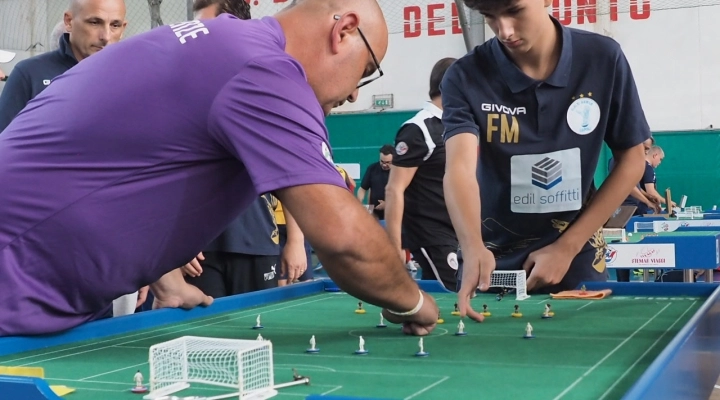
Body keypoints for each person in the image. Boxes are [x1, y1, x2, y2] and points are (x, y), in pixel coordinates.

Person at [0, 0, 438, 337]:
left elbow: (126, 162)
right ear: (344, 30)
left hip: (36, 289)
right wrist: (411, 300)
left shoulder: (218, 41)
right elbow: (344, 240)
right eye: (365, 72)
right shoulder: (264, 69)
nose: (355, 97)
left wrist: (164, 277)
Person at [442, 0, 651, 321]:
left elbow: (632, 160)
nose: (504, 30)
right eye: (490, 17)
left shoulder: (603, 59)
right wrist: (471, 247)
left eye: (514, 11)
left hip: (576, 254)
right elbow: (459, 168)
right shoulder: (465, 75)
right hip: (490, 262)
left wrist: (567, 247)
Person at [179, 0, 305, 297]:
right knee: (205, 340)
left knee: (257, 335)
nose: (200, 35)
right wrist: (175, 246)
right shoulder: (183, 89)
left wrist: (296, 241)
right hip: (198, 249)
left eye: (207, 26)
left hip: (256, 242)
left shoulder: (267, 87)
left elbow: (290, 171)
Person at [384, 57, 459, 291]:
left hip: (458, 229)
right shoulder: (419, 129)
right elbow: (394, 188)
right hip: (430, 233)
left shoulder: (459, 125)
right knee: (454, 292)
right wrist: (394, 246)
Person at [0, 0, 128, 132]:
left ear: (123, 28)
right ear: (69, 21)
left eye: (115, 25)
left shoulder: (131, 79)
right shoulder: (29, 73)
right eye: (94, 22)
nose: (106, 36)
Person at [609, 137, 661, 217]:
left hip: (632, 206)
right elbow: (629, 187)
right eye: (645, 148)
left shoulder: (633, 161)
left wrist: (648, 196)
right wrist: (647, 202)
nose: (647, 152)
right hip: (625, 207)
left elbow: (635, 186)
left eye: (648, 149)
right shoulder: (622, 160)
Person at [356, 144, 393, 220]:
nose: (384, 165)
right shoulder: (372, 169)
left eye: (388, 162)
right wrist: (360, 202)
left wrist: (387, 204)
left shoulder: (398, 172)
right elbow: (362, 189)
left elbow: (405, 196)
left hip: (392, 215)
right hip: (374, 215)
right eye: (382, 161)